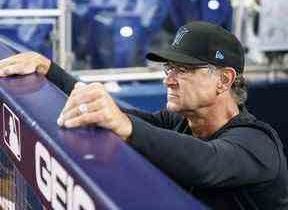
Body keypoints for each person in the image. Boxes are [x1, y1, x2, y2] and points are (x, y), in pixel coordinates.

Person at [0, 21, 287, 209]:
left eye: (183, 70)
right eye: (169, 68)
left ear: (224, 80)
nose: (169, 79)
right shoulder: (181, 122)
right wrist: (50, 71)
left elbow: (207, 163)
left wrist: (125, 125)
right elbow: (122, 115)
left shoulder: (258, 143)